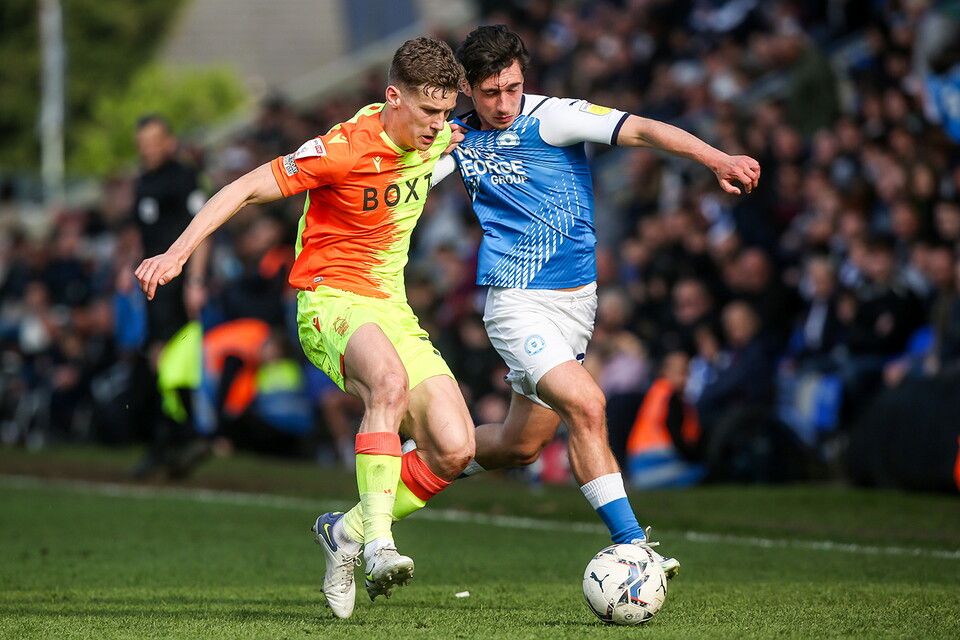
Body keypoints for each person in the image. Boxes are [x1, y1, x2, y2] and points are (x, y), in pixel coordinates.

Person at [135, 37, 474, 619]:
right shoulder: (340, 149)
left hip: (391, 307)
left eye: (446, 112)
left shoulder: (438, 134)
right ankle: (379, 546)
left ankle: (345, 531)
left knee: (454, 448)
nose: (439, 125)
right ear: (393, 98)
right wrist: (177, 253)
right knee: (387, 384)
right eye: (429, 112)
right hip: (330, 301)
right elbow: (242, 188)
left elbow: (474, 127)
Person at [431, 24, 760, 576]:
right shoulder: (450, 139)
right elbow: (396, 183)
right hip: (515, 302)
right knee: (588, 405)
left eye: (512, 87)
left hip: (576, 305)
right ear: (467, 87)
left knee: (520, 446)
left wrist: (716, 159)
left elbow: (644, 130)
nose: (504, 103)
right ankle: (633, 545)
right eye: (490, 92)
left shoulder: (554, 116)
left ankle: (416, 466)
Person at [122, 115, 211, 478]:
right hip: (153, 282)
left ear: (168, 141)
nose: (148, 148)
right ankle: (181, 438)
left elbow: (203, 230)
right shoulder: (144, 180)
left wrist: (196, 281)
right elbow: (144, 234)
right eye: (143, 142)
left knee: (163, 358)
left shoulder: (183, 176)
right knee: (164, 361)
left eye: (154, 140)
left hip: (176, 280)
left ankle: (170, 440)